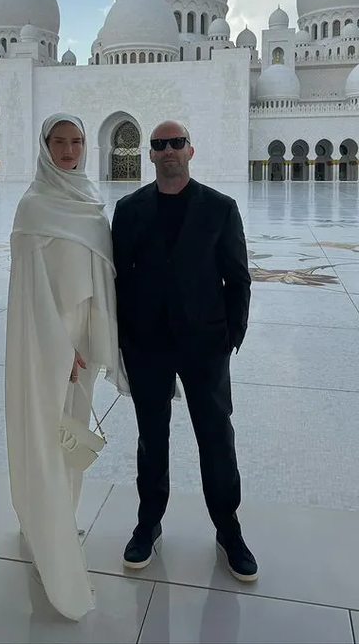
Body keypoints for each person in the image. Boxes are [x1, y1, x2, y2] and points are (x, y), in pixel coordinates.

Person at [112, 120, 258, 582]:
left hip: (204, 344)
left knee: (215, 437)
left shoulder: (220, 208)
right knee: (152, 438)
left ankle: (228, 529)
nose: (169, 150)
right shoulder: (129, 209)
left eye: (177, 143)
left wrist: (230, 337)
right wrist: (123, 337)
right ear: (149, 154)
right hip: (148, 345)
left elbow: (237, 278)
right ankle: (148, 522)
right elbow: (117, 276)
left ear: (190, 151)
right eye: (160, 145)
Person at [5, 113, 120, 621]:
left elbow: (100, 278)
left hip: (83, 343)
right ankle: (43, 519)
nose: (70, 150)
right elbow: (30, 293)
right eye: (59, 142)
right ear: (44, 146)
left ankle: (61, 513)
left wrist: (93, 344)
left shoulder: (89, 202)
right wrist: (59, 349)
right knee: (46, 431)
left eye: (76, 141)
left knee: (71, 436)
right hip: (48, 344)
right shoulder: (33, 207)